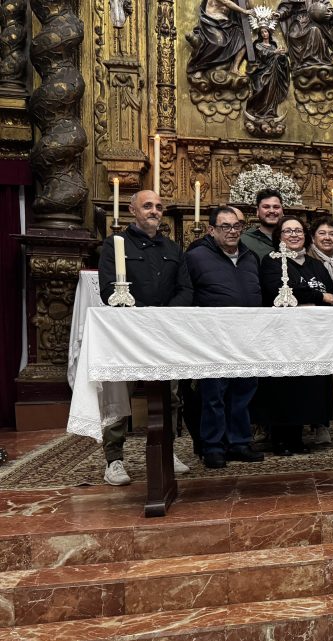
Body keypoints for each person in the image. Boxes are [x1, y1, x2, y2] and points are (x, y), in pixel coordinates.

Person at [97, 189, 193, 485]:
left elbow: (186, 290)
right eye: (148, 206)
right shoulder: (115, 245)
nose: (154, 211)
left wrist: (162, 315)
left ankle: (168, 449)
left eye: (159, 207)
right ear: (132, 210)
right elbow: (107, 289)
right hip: (128, 332)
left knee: (171, 394)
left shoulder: (173, 248)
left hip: (164, 330)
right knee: (119, 395)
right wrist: (140, 314)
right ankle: (114, 459)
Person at [185, 206, 266, 468]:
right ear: (211, 230)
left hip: (246, 336)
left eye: (236, 226)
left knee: (243, 392)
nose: (232, 232)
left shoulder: (250, 257)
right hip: (213, 336)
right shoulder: (197, 257)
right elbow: (188, 294)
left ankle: (239, 442)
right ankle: (213, 446)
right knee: (214, 394)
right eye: (225, 227)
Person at [256, 217, 333, 455]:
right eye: (288, 231)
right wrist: (319, 297)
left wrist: (321, 296)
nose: (294, 235)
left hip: (312, 337)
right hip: (282, 337)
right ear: (278, 235)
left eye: (298, 231)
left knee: (305, 388)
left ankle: (298, 438)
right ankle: (280, 439)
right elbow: (280, 291)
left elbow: (332, 291)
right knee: (283, 387)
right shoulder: (272, 262)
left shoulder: (314, 264)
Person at [308, 215, 333, 443]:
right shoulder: (308, 259)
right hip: (318, 327)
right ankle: (320, 424)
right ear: (313, 237)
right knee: (320, 376)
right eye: (322, 233)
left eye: (332, 234)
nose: (327, 238)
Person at [240, 188, 284, 261]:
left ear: (282, 211)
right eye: (266, 207)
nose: (272, 211)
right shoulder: (244, 241)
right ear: (257, 211)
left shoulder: (293, 238)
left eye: (276, 207)